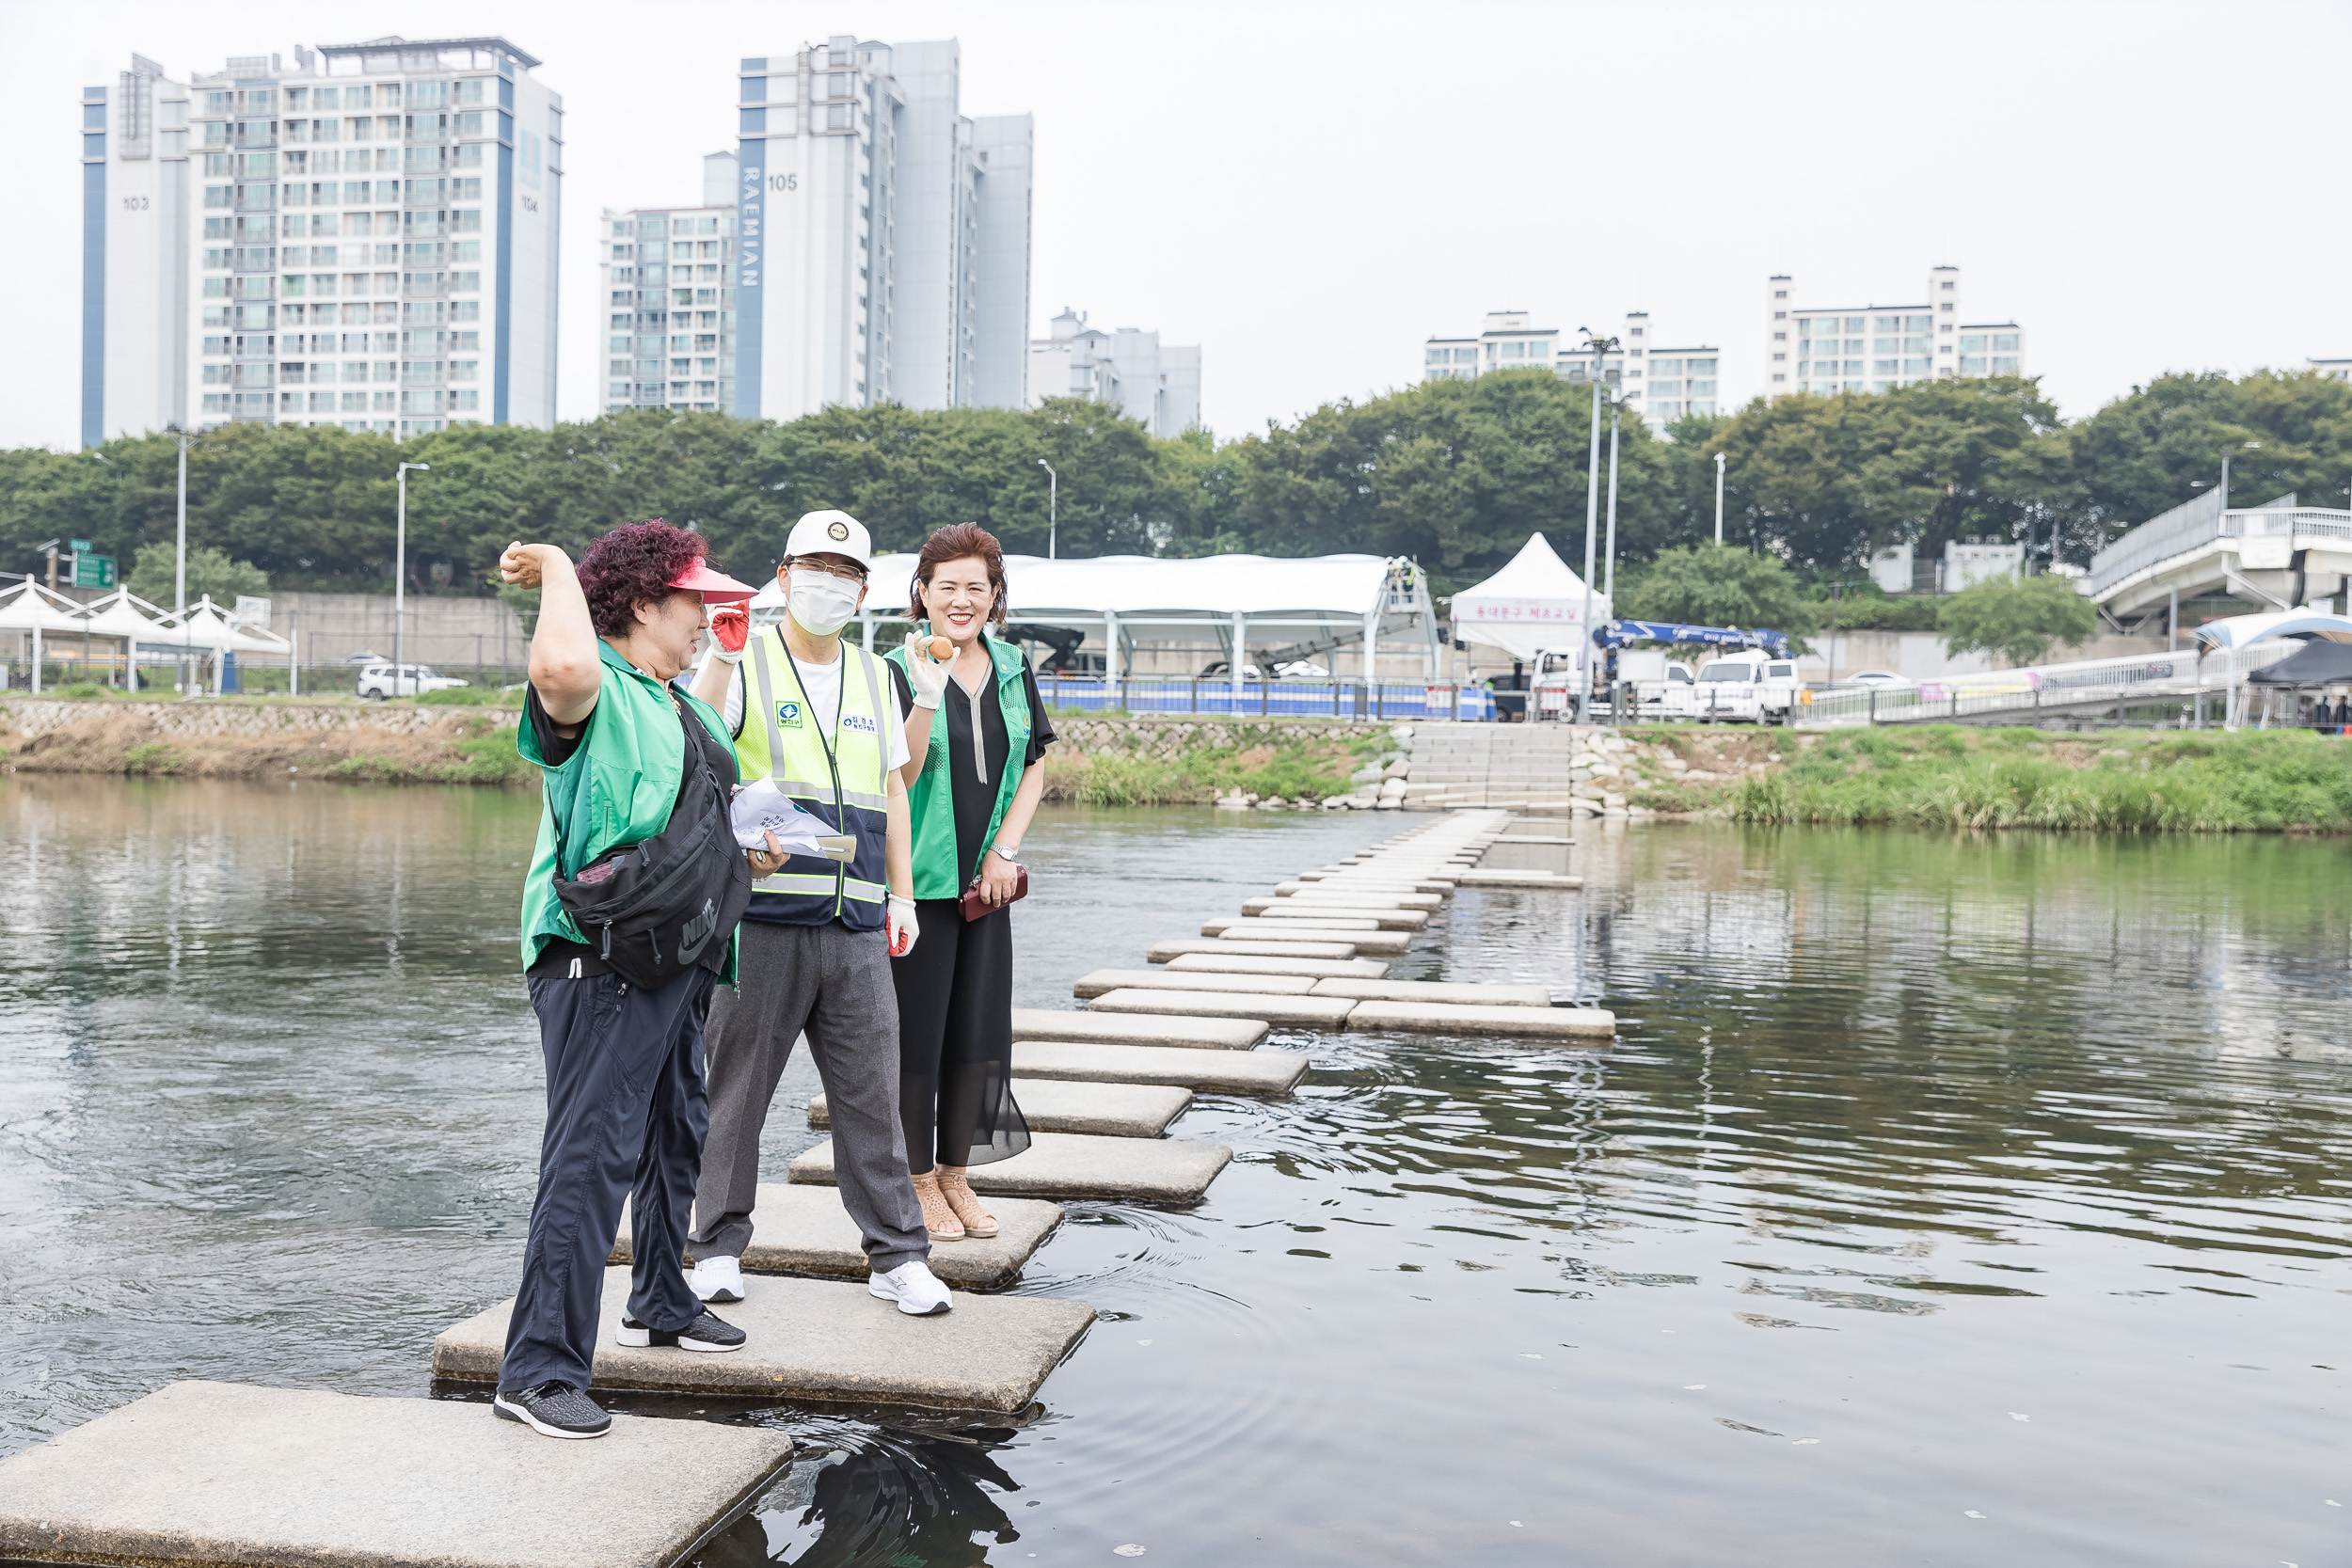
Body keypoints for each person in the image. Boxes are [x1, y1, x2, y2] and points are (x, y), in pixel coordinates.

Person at [493, 521, 772, 1441]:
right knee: (590, 1155)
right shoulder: (602, 689)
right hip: (599, 956)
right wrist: (566, 568)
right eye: (694, 599)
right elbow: (562, 671)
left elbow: (690, 821)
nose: (707, 615)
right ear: (644, 603)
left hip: (676, 954)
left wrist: (752, 856)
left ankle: (661, 1293)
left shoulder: (672, 699)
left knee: (673, 1126)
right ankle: (536, 1367)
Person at [685, 510, 954, 1318]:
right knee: (735, 1093)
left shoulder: (878, 675)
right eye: (812, 566)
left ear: (864, 589)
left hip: (857, 923)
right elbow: (698, 735)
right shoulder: (747, 657)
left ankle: (898, 1256)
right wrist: (720, 659)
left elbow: (895, 788)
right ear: (783, 572)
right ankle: (715, 1248)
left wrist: (900, 893)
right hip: (762, 917)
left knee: (874, 1093)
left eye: (842, 573)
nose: (826, 582)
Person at [883, 523, 1054, 1240]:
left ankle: (956, 1174)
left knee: (978, 1036)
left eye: (975, 587)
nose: (961, 599)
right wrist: (927, 689)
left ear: (995, 596)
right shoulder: (897, 668)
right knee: (915, 1041)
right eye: (946, 585)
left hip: (986, 892)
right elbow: (901, 773)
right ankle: (917, 1180)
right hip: (918, 888)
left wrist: (1003, 852)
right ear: (921, 593)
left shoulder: (1013, 667)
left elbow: (1037, 762)